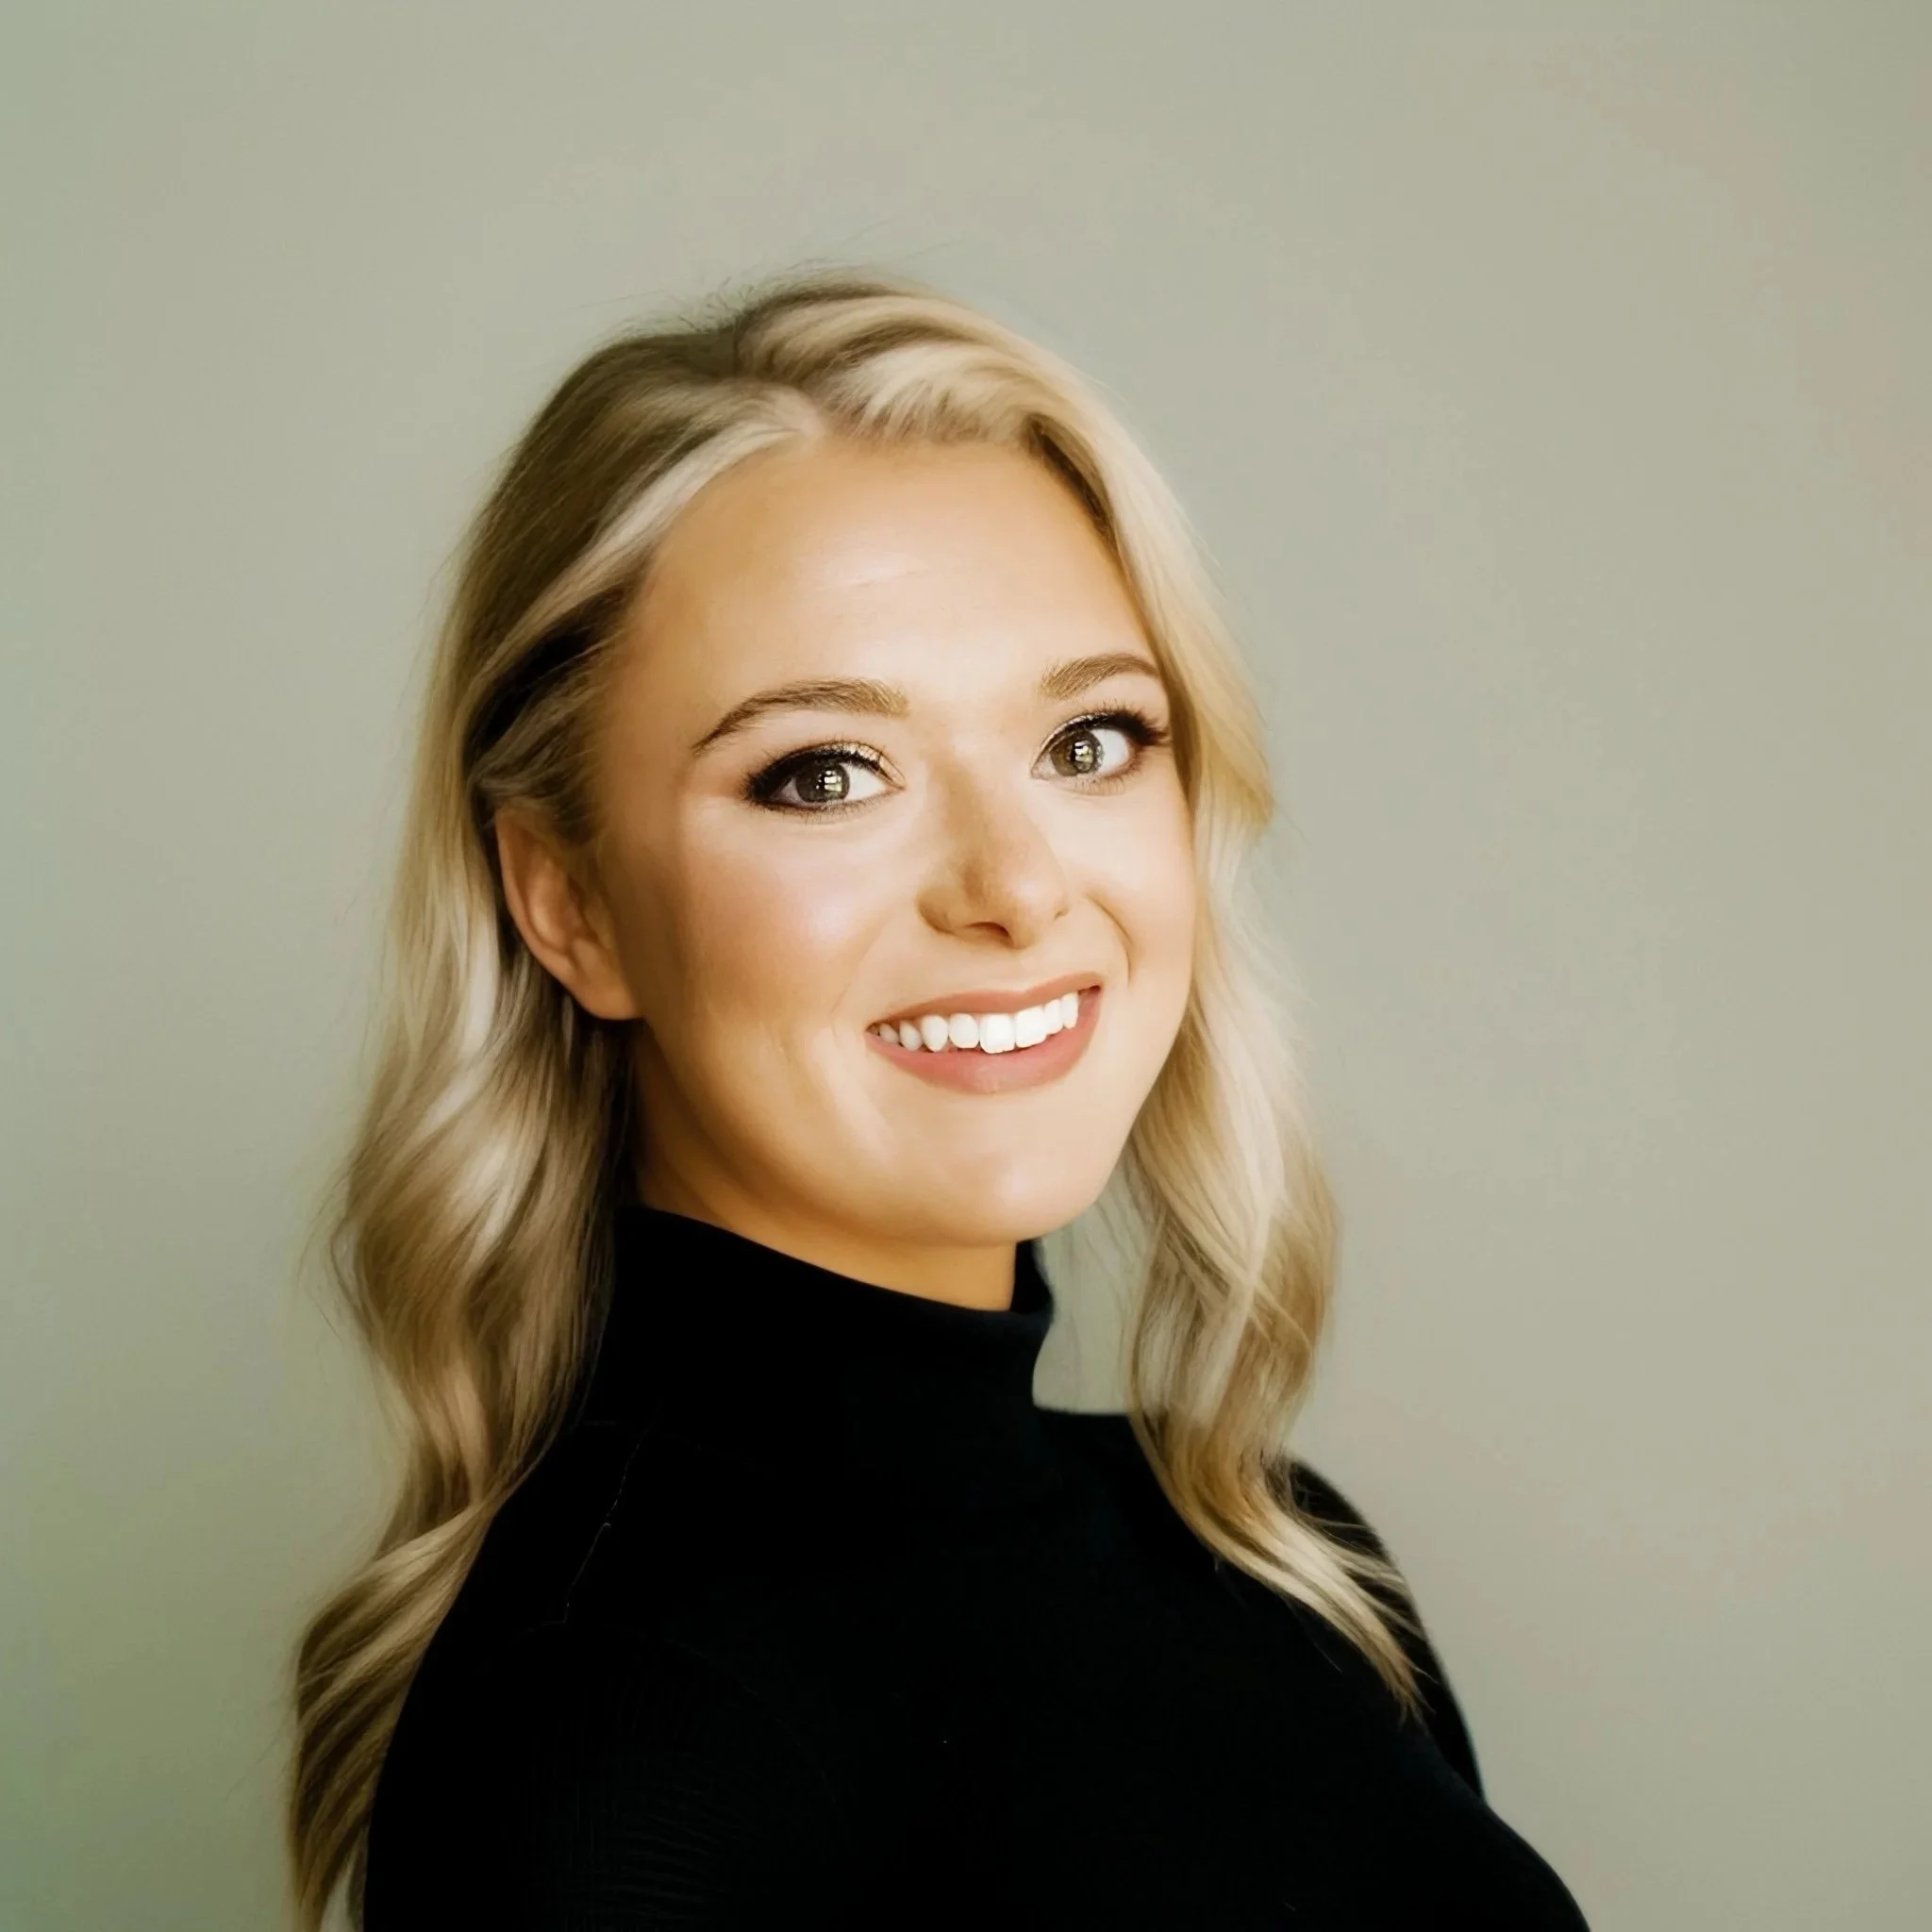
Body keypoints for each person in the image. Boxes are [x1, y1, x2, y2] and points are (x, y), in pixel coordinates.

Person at [286, 270, 1591, 1929]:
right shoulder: (612, 1759)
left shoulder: (1284, 1561)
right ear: (572, 905)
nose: (1017, 888)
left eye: (1090, 741)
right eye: (827, 773)